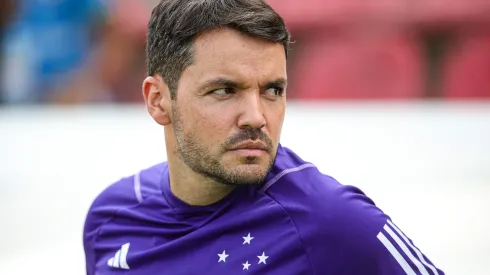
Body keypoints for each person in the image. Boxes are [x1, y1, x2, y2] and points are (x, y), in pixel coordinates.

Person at [83, 0, 445, 274]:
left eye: (273, 90)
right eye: (225, 90)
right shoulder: (112, 219)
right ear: (158, 100)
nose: (257, 117)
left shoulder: (333, 222)